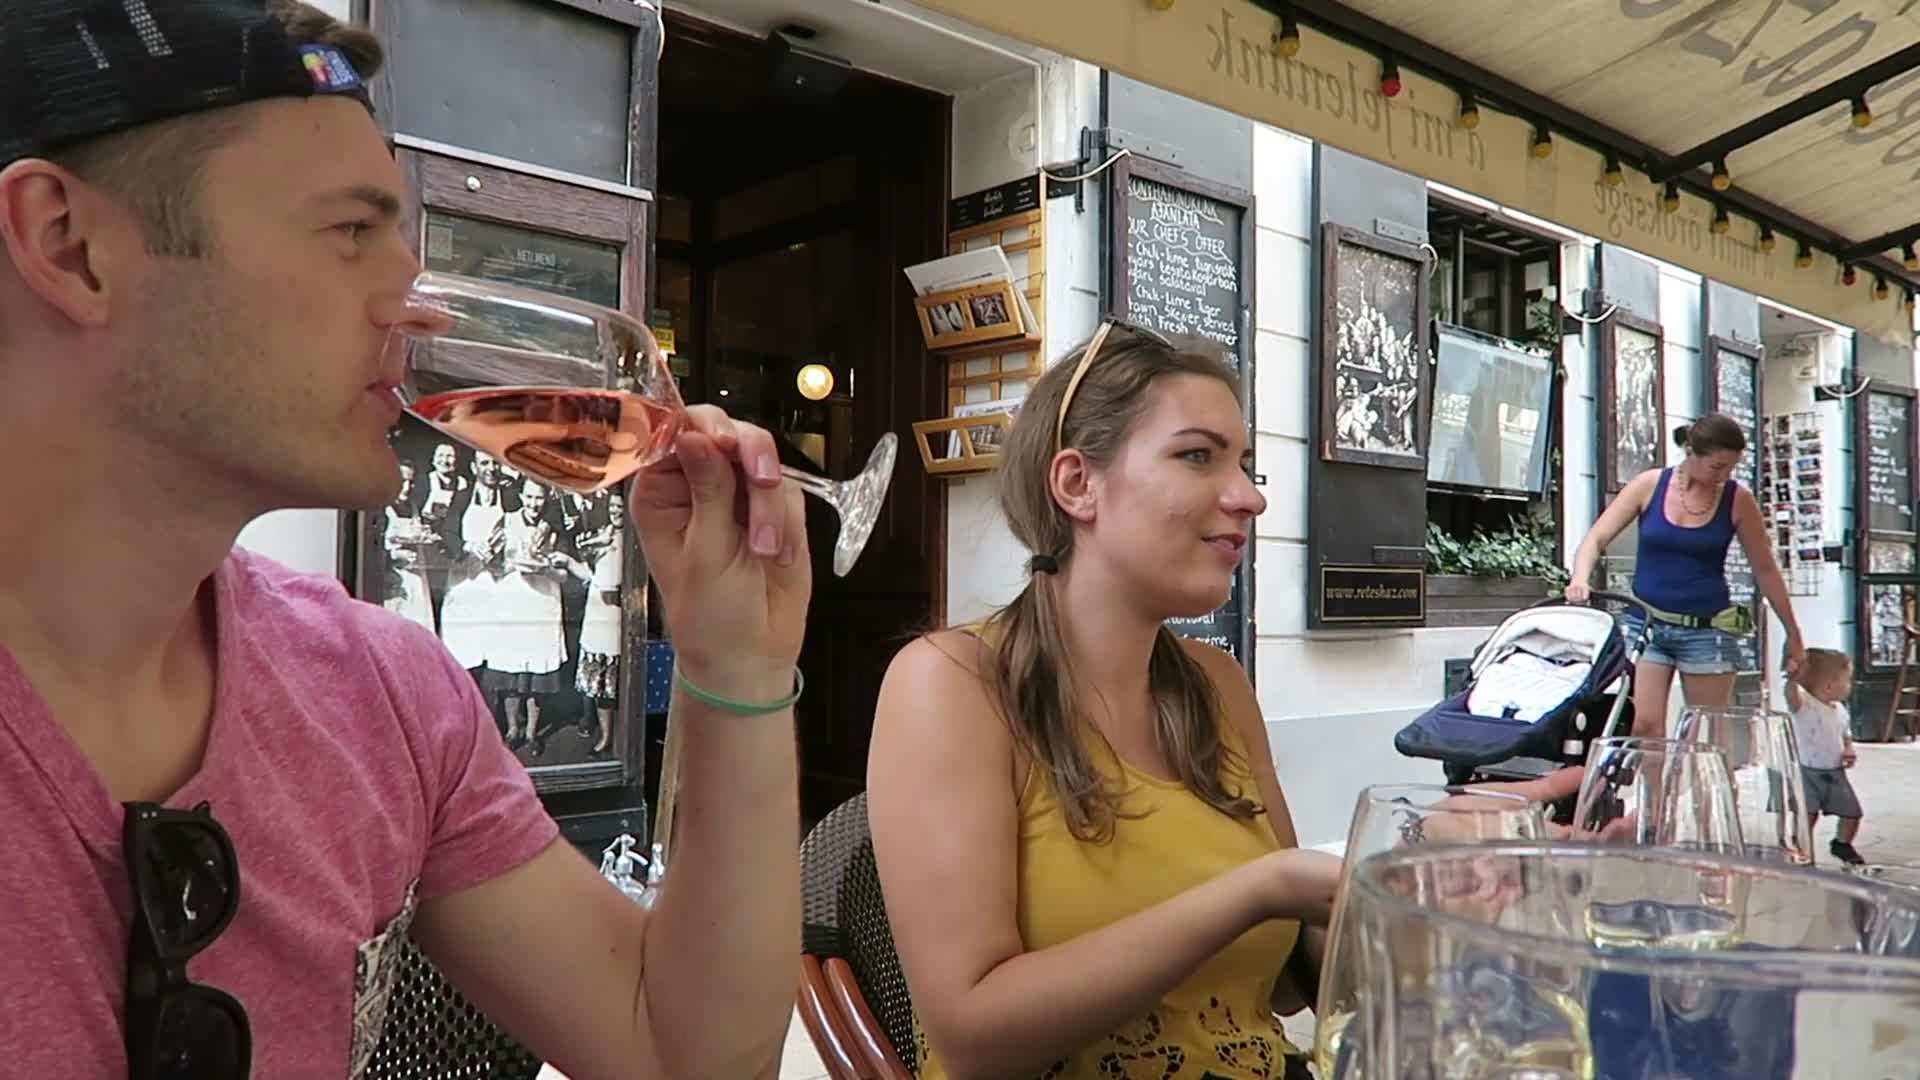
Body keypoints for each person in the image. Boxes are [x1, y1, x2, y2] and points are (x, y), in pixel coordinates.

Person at [0, 4, 810, 1079]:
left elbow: (681, 1052)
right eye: (351, 231)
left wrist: (736, 668)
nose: (418, 305)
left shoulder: (379, 694)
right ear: (72, 245)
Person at [1566, 414, 1805, 736]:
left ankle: (1704, 772)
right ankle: (1652, 774)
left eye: (1731, 468)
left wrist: (1792, 631)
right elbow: (1595, 538)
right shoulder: (1649, 485)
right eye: (1717, 467)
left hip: (1707, 630)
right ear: (1691, 452)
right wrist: (1580, 579)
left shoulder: (1738, 500)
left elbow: (1765, 570)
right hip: (1647, 624)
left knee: (1706, 730)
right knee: (1643, 725)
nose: (1724, 476)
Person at [1784, 648, 1866, 866]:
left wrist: (1848, 748)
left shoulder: (1839, 709)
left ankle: (1842, 843)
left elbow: (1844, 732)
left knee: (1852, 812)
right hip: (1807, 772)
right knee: (1808, 814)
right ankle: (1800, 846)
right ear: (1829, 685)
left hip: (1834, 771)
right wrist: (1793, 677)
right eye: (1847, 680)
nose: (1849, 685)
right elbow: (1791, 695)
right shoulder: (1804, 706)